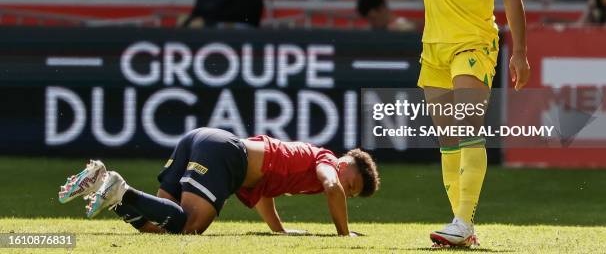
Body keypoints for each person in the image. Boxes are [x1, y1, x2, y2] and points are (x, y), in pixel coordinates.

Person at [293, 0, 530, 248]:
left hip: (474, 42)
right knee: (448, 140)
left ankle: (462, 220)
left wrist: (520, 51)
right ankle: (462, 227)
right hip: (434, 45)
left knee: (469, 130)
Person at [59, 128, 380, 236]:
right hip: (226, 153)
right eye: (353, 185)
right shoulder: (326, 160)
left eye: (353, 194)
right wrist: (344, 234)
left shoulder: (303, 168)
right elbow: (333, 186)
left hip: (203, 140)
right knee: (190, 226)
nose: (348, 193)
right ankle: (119, 188)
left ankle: (104, 183)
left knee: (162, 225)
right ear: (345, 162)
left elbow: (262, 194)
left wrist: (279, 231)